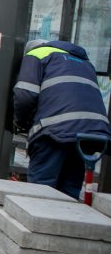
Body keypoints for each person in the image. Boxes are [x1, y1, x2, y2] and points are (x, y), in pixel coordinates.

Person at [13, 39, 111, 199]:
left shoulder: (36, 53)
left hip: (54, 132)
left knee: (40, 191)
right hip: (90, 133)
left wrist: (21, 123)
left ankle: (39, 223)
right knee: (69, 191)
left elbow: (25, 95)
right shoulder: (84, 61)